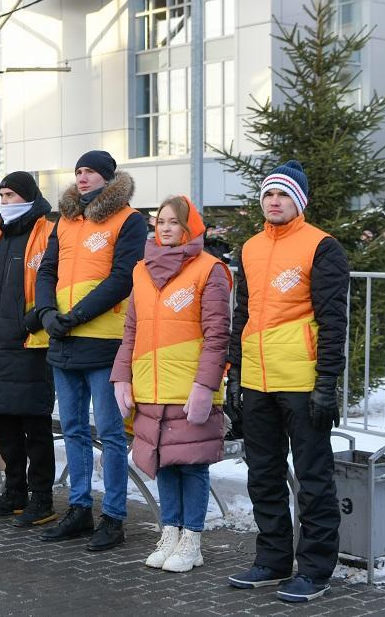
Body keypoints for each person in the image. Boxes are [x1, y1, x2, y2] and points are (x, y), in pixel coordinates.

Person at [224, 161, 349, 602]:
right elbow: (243, 316)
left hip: (301, 379)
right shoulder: (251, 248)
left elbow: (334, 321)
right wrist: (234, 376)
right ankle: (272, 560)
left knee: (313, 478)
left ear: (299, 201)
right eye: (268, 195)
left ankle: (315, 569)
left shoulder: (322, 247)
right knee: (263, 474)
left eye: (283, 195)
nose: (274, 202)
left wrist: (326, 382)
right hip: (257, 380)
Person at [111, 195, 231, 572]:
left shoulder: (209, 270)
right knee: (162, 462)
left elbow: (217, 334)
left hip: (189, 386)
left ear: (189, 227)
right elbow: (131, 329)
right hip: (152, 384)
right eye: (160, 221)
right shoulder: (140, 271)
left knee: (192, 464)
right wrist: (122, 376)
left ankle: (192, 540)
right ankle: (171, 533)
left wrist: (204, 386)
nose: (165, 227)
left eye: (174, 222)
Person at [34, 150, 146, 549]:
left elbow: (122, 278)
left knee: (112, 433)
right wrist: (47, 312)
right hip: (63, 336)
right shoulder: (64, 221)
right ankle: (79, 509)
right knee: (74, 428)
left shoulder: (129, 220)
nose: (82, 178)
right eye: (79, 171)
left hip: (103, 338)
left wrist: (77, 315)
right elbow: (47, 270)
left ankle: (113, 516)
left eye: (91, 172)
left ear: (108, 178)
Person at [0, 171, 58, 526]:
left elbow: (54, 280)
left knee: (34, 427)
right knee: (3, 422)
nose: (4, 201)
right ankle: (15, 492)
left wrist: (33, 318)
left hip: (29, 344)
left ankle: (42, 499)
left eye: (10, 195)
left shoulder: (47, 230)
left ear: (27, 196)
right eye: (2, 195)